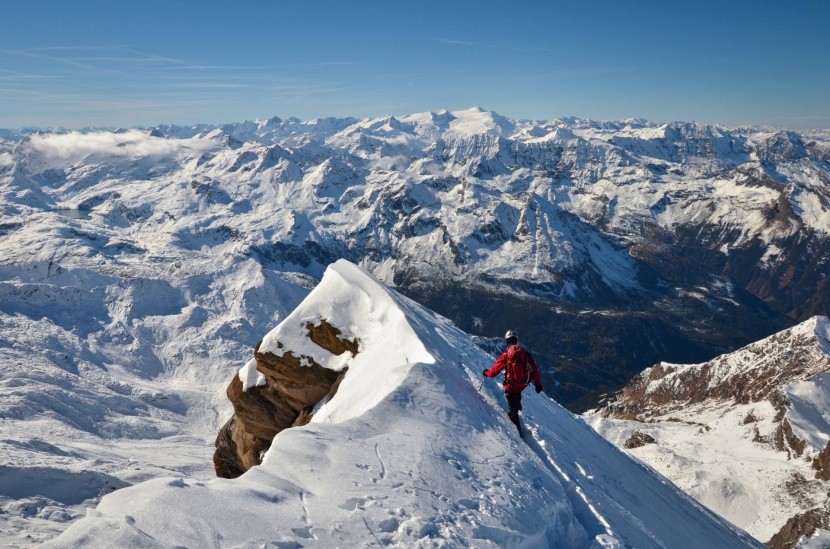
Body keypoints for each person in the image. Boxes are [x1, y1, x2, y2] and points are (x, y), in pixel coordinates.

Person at [483, 330, 543, 438]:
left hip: (510, 386)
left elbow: (494, 372)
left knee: (512, 410)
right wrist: (538, 384)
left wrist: (486, 373)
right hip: (522, 385)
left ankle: (518, 434)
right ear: (516, 340)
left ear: (507, 341)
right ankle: (517, 407)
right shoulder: (526, 354)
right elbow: (534, 369)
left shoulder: (506, 356)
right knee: (517, 396)